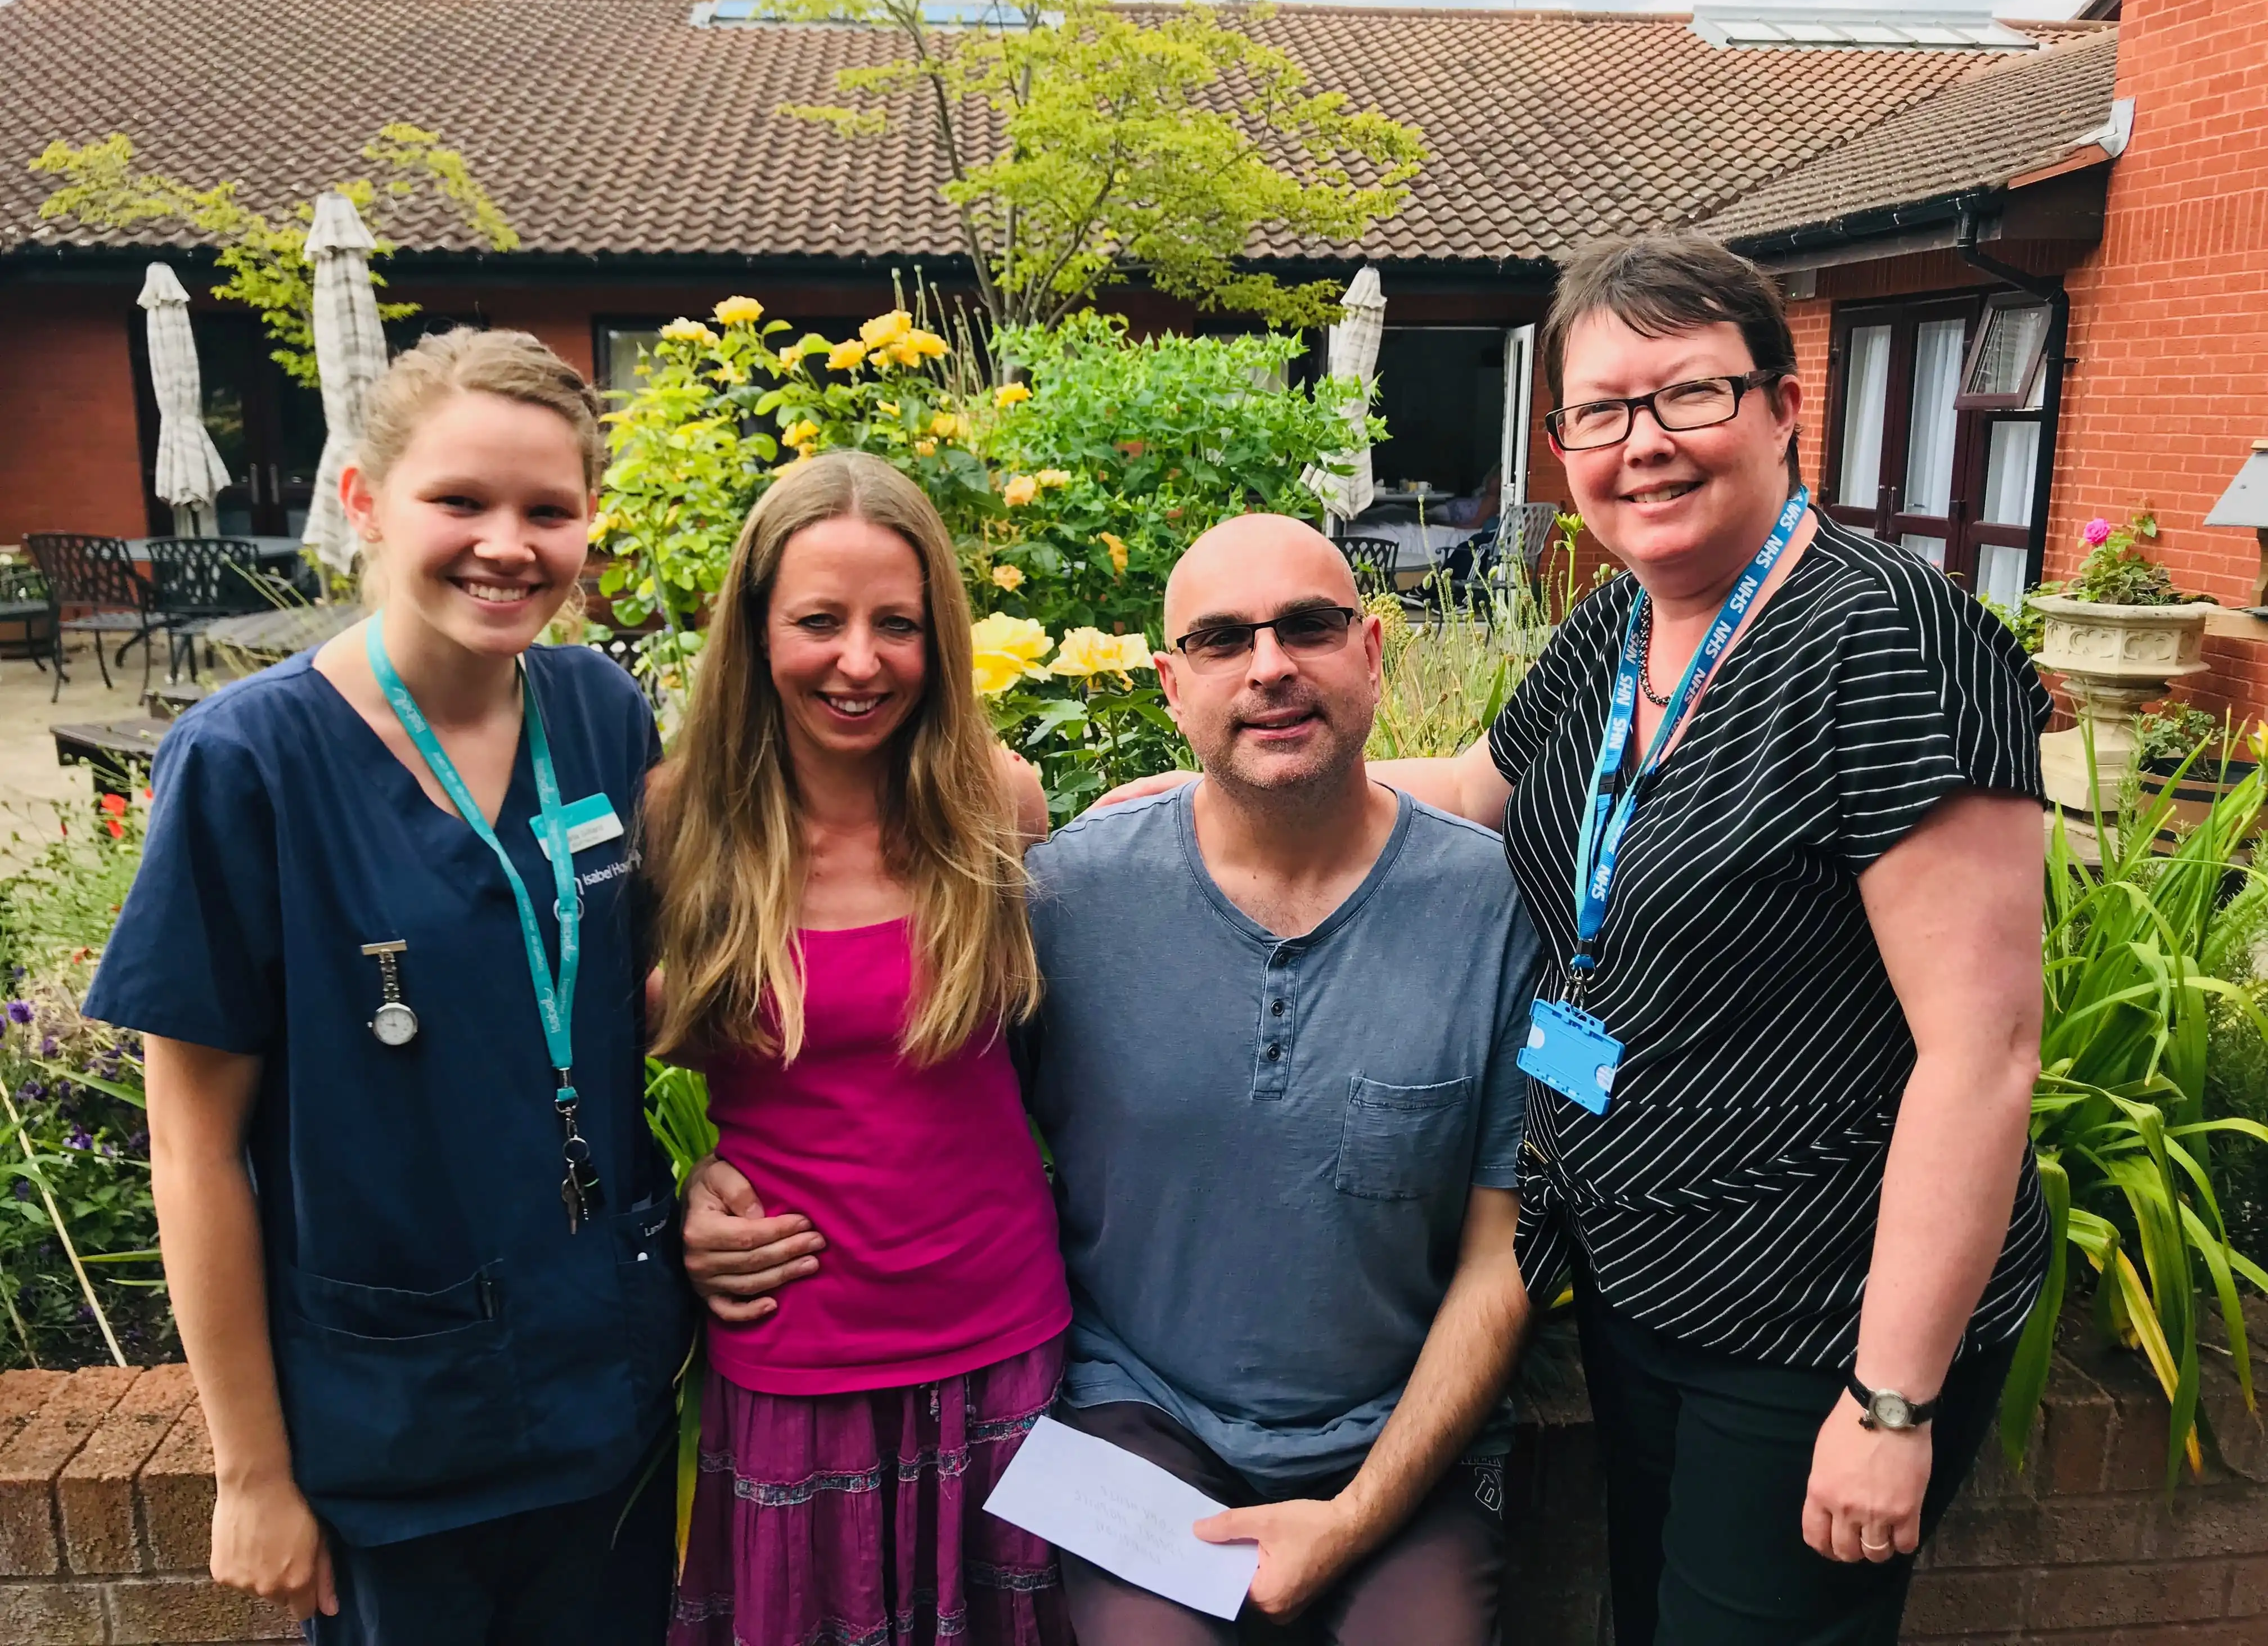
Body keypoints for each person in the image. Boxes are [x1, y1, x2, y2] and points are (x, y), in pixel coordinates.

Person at [1362, 233, 2050, 1644]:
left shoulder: (1889, 645)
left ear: (1786, 407)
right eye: (1601, 413)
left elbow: (1981, 1058)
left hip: (1817, 1315)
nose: (1643, 447)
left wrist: (1891, 1402)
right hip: (1647, 1275)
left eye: (1689, 397)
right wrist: (1217, 789)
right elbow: (1480, 792)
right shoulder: (1623, 621)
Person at [690, 511, 1541, 1642]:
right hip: (1137, 1414)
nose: (1271, 665)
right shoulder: (1069, 903)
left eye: (1309, 627)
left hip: (1398, 1434)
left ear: (1373, 651)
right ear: (1169, 685)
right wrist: (706, 1180)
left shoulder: (1494, 913)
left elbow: (1503, 1259)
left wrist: (1351, 1518)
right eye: (1223, 640)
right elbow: (900, 1087)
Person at [83, 328, 690, 1645]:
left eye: (550, 509)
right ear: (362, 500)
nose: (507, 544)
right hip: (396, 1435)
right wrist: (250, 1472)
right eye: (459, 501)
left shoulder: (600, 714)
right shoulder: (250, 766)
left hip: (609, 1397)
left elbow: (648, 1001)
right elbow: (190, 1149)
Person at [650, 452, 1072, 1646]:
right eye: (818, 622)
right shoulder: (681, 823)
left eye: (899, 624)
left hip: (1003, 1345)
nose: (860, 662)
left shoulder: (1000, 802)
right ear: (753, 630)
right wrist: (669, 1193)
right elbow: (567, 1062)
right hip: (794, 1354)